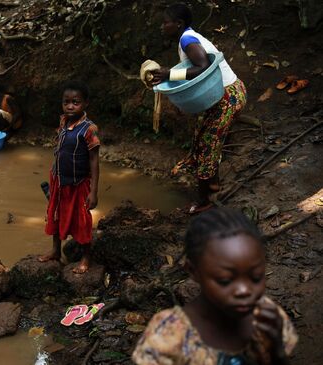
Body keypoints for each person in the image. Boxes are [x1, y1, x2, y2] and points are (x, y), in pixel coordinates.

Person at [132, 207, 298, 365]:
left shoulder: (267, 317)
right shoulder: (167, 336)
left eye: (255, 277)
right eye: (225, 280)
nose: (244, 290)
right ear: (193, 271)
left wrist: (276, 350)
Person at [151, 3, 247, 214]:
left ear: (178, 24)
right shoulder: (187, 37)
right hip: (224, 94)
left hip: (228, 97)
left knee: (207, 148)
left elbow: (203, 66)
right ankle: (211, 190)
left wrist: (169, 75)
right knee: (201, 138)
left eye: (165, 22)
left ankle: (206, 201)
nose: (161, 26)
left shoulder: (187, 39)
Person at [39, 81, 100, 274]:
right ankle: (56, 250)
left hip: (79, 182)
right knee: (55, 214)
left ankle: (86, 257)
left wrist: (93, 191)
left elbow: (94, 160)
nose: (70, 106)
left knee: (82, 220)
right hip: (58, 179)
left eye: (76, 102)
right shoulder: (63, 121)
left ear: (85, 104)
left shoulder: (89, 129)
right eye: (66, 102)